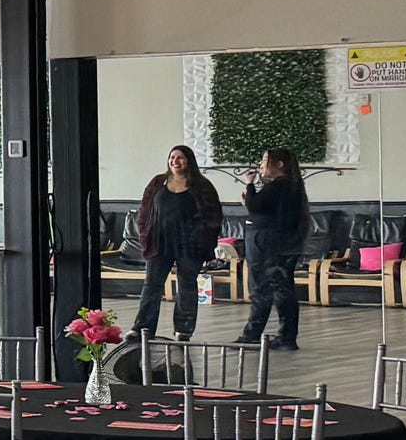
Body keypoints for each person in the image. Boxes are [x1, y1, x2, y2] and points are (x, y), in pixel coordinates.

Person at [133, 144, 224, 340]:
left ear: (189, 161)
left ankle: (183, 330)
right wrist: (144, 234)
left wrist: (204, 240)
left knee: (187, 286)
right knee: (152, 285)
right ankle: (142, 328)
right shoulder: (158, 182)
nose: (175, 161)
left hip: (190, 245)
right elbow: (144, 211)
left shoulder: (202, 186)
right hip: (160, 242)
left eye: (180, 157)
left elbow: (214, 216)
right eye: (172, 157)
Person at [239, 146, 310, 351]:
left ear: (279, 164)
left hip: (269, 246)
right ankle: (287, 337)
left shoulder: (278, 186)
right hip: (285, 245)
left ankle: (252, 334)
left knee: (263, 289)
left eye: (264, 161)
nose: (261, 165)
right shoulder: (292, 187)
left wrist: (249, 185)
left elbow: (255, 206)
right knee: (283, 290)